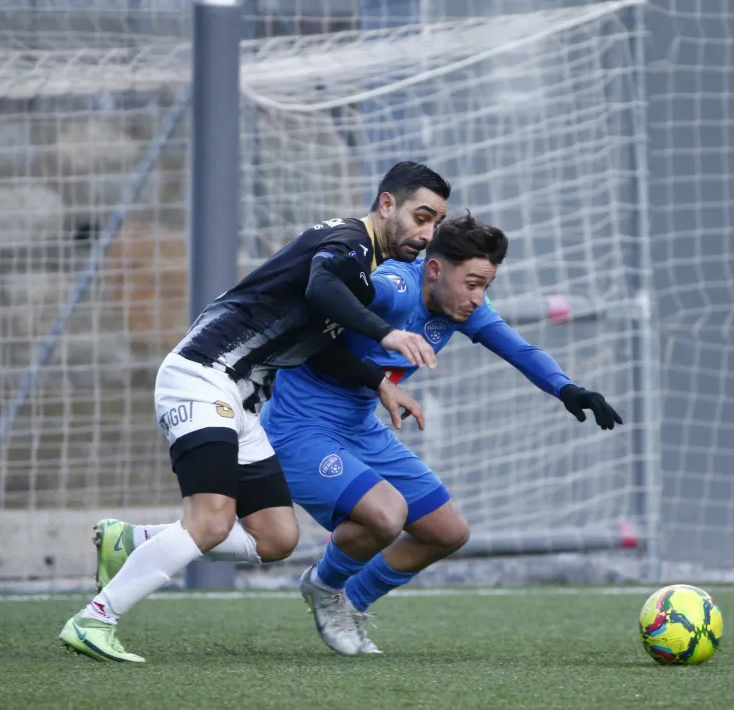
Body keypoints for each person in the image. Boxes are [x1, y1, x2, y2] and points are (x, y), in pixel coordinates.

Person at [58, 161, 451, 662]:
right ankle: (96, 619)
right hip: (202, 376)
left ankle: (131, 541)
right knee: (211, 520)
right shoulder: (350, 245)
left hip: (238, 400)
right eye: (421, 217)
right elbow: (321, 285)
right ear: (387, 203)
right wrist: (386, 332)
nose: (427, 233)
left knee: (276, 537)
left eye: (435, 223)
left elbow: (316, 343)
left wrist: (378, 383)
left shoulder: (361, 265)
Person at [261, 212, 621, 655]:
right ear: (434, 269)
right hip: (299, 429)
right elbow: (315, 337)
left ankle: (351, 602)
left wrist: (568, 389)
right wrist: (380, 381)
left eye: (486, 286)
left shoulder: (461, 309)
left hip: (359, 428)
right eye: (471, 283)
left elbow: (520, 349)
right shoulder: (393, 287)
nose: (478, 298)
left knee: (446, 531)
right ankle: (324, 586)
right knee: (383, 516)